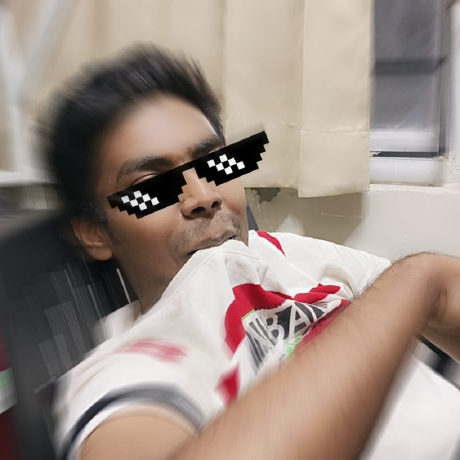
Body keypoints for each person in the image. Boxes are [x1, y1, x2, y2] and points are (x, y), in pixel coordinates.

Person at [44, 45, 460, 460]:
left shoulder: (284, 253)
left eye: (213, 163)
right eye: (152, 186)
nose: (202, 196)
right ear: (95, 233)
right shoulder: (134, 368)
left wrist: (424, 287)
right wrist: (419, 280)